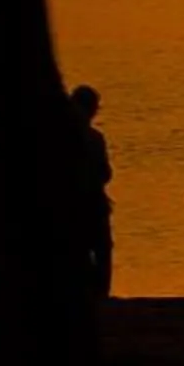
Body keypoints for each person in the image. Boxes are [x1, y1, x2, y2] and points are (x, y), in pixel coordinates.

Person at [68, 84, 115, 296]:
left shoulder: (60, 139)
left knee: (86, 250)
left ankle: (91, 293)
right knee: (100, 250)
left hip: (82, 202)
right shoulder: (95, 138)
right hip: (90, 202)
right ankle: (99, 294)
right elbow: (105, 173)